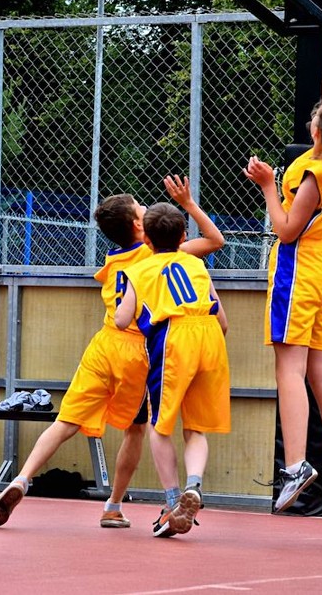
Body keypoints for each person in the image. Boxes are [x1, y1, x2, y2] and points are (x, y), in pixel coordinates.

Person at [0, 175, 224, 530]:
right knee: (137, 430)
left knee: (65, 421)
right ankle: (118, 504)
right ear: (140, 227)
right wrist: (187, 204)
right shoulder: (153, 254)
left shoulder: (114, 257)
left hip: (103, 343)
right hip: (138, 352)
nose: (145, 207)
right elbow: (214, 241)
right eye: (141, 208)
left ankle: (21, 478)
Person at [244, 0, 322, 515]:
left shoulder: (314, 173)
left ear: (316, 132)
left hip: (299, 265)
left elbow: (287, 230)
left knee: (289, 370)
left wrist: (268, 186)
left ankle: (296, 466)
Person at [113, 202, 230, 537]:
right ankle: (194, 484)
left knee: (159, 426)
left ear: (147, 240)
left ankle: (174, 499)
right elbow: (222, 320)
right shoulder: (196, 264)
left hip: (173, 340)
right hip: (210, 337)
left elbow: (121, 319)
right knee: (196, 427)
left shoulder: (140, 270)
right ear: (183, 236)